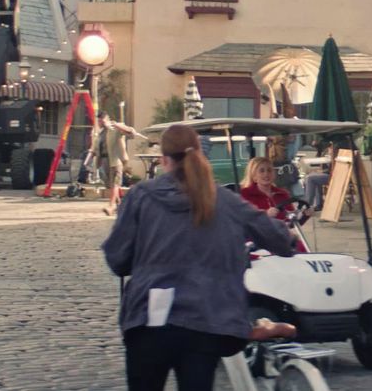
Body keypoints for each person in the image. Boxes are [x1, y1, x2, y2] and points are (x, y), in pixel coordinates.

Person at [101, 123, 294, 391]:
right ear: (201, 155)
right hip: (206, 318)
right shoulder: (226, 200)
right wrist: (288, 235)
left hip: (148, 319)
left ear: (163, 159)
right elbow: (280, 240)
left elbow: (116, 259)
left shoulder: (141, 197)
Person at [100, 114, 146, 216]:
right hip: (110, 161)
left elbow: (130, 131)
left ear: (107, 119)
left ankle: (111, 206)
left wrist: (116, 125)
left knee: (115, 184)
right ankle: (120, 205)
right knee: (113, 184)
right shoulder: (104, 132)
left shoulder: (116, 128)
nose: (101, 124)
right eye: (100, 122)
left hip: (118, 161)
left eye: (102, 122)